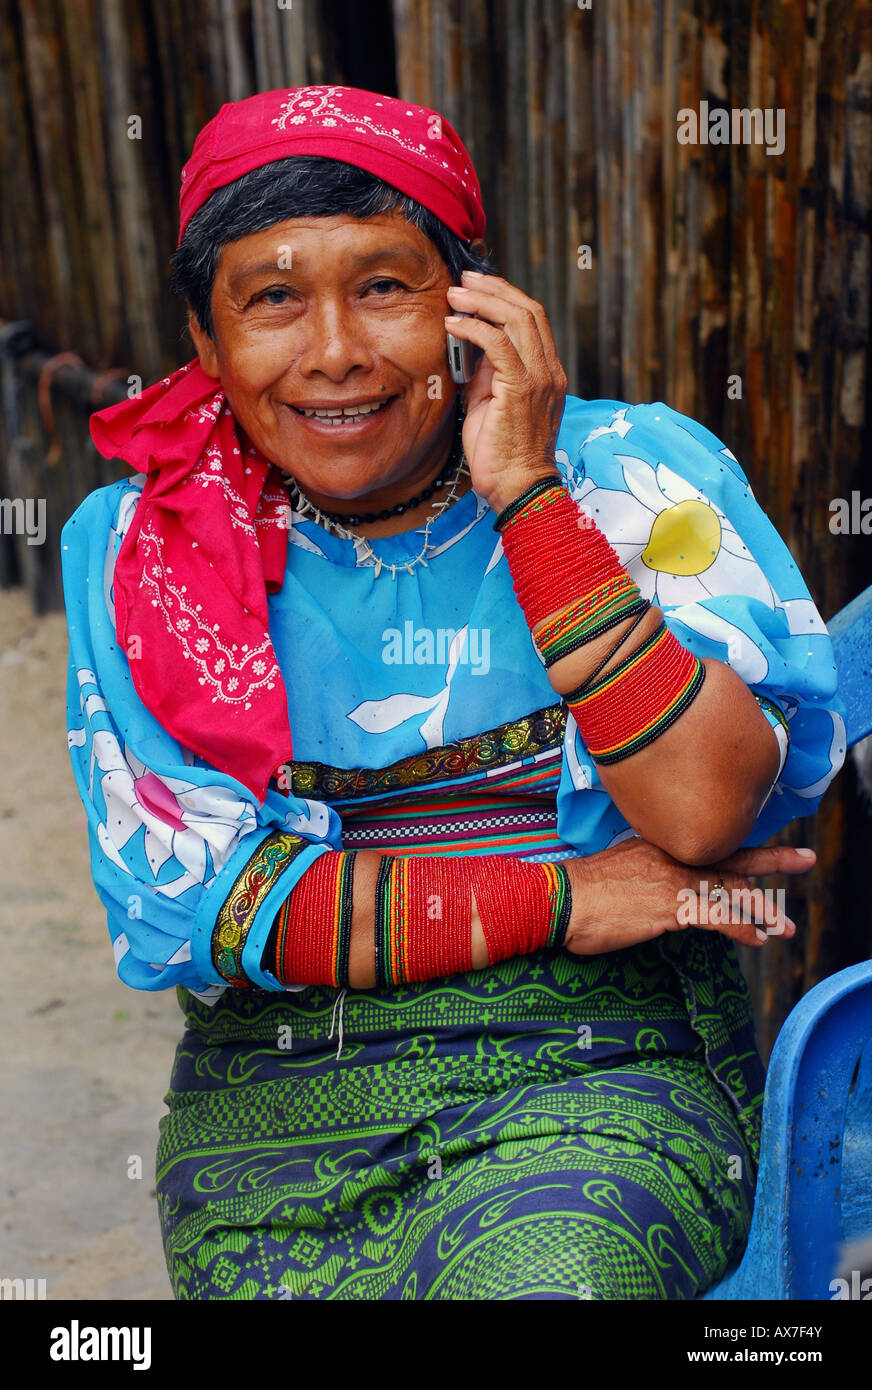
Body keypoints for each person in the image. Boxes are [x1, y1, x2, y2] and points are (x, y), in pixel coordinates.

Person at [61, 84, 845, 1301]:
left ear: (472, 306)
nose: (333, 352)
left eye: (384, 286)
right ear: (206, 346)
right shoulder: (140, 549)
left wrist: (529, 492)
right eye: (272, 298)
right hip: (275, 1107)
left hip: (595, 1070)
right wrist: (566, 895)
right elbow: (201, 905)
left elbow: (699, 810)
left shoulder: (630, 476)